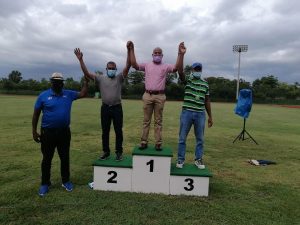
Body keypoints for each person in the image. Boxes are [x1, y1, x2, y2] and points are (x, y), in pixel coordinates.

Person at [32, 72, 89, 196]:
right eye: (55, 81)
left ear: (62, 83)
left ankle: (66, 181)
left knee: (65, 157)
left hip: (64, 132)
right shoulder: (43, 96)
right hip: (47, 133)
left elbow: (83, 94)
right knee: (47, 159)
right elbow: (36, 114)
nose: (57, 83)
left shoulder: (68, 94)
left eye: (59, 81)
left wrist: (86, 82)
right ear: (51, 82)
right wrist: (34, 131)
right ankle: (45, 183)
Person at [74, 42, 130, 161]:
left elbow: (128, 66)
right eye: (109, 68)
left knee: (118, 131)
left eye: (113, 68)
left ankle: (119, 152)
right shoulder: (100, 78)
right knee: (105, 131)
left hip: (117, 108)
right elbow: (86, 73)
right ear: (106, 69)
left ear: (116, 69)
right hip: (105, 108)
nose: (111, 70)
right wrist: (81, 60)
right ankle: (106, 152)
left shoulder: (119, 77)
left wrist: (129, 51)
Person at [129, 41, 186, 151]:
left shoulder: (165, 66)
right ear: (152, 55)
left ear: (162, 55)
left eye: (159, 53)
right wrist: (131, 49)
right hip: (147, 95)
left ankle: (158, 143)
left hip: (160, 96)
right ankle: (143, 142)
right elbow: (134, 65)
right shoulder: (146, 65)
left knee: (158, 121)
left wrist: (180, 54)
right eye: (155, 53)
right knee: (146, 121)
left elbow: (176, 68)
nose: (157, 55)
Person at [176, 62, 213, 169]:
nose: (197, 71)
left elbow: (207, 101)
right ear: (192, 70)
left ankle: (198, 159)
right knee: (182, 138)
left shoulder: (205, 84)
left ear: (201, 70)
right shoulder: (188, 80)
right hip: (187, 112)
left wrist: (210, 116)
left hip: (200, 113)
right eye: (195, 69)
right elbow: (181, 73)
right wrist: (181, 54)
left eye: (199, 69)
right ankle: (180, 159)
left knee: (200, 139)